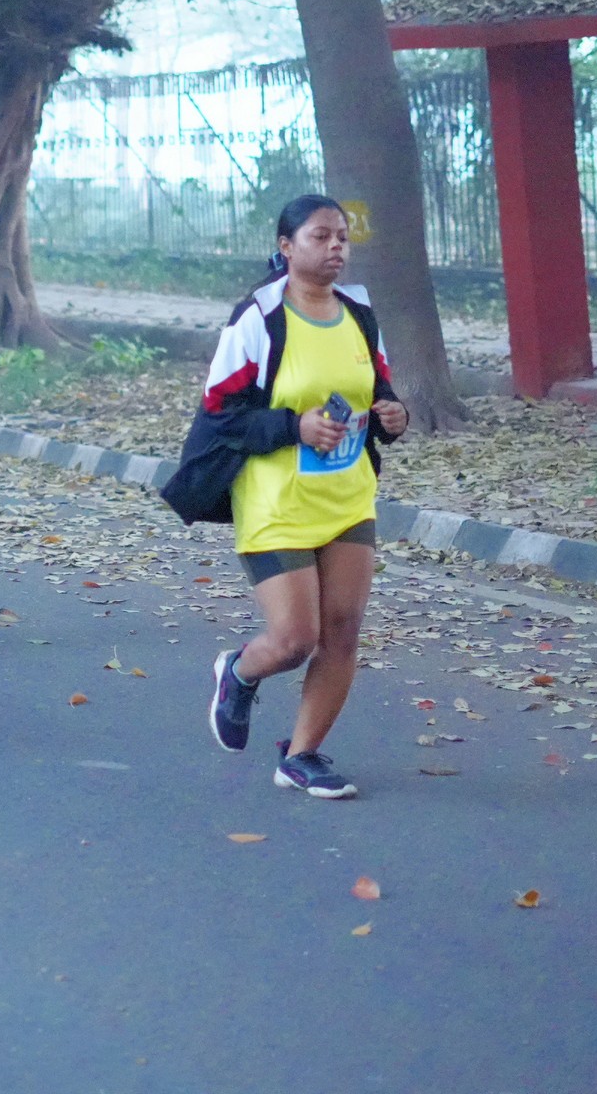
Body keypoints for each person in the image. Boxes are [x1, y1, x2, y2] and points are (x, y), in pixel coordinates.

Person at [189, 195, 407, 800]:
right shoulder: (259, 317)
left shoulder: (359, 313)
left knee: (343, 632)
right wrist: (294, 427)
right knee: (294, 640)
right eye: (320, 236)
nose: (336, 246)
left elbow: (379, 389)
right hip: (276, 500)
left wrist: (393, 415)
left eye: (342, 237)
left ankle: (302, 755)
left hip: (347, 496)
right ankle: (239, 671)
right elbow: (220, 412)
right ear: (286, 247)